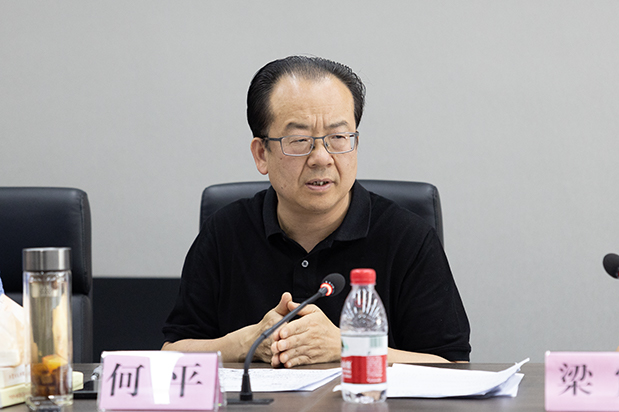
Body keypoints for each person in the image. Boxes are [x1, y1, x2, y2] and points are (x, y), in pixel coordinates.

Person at [162, 56, 471, 367]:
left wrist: (348, 346)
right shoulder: (225, 232)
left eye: (338, 138)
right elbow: (171, 353)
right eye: (299, 140)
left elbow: (452, 366)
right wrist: (249, 341)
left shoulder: (409, 238)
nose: (322, 158)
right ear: (261, 154)